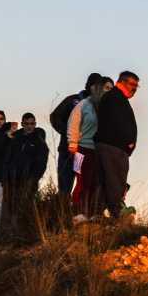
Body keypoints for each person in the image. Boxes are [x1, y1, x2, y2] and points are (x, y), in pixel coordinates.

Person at [50, 72, 103, 200]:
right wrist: (67, 133)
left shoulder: (100, 104)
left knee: (84, 184)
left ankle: (79, 214)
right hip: (68, 150)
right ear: (89, 86)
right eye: (94, 85)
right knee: (65, 185)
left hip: (87, 151)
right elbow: (55, 117)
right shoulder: (72, 100)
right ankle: (63, 214)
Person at [68, 76, 114, 222]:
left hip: (101, 150)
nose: (108, 91)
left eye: (111, 89)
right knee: (82, 181)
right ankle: (79, 213)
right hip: (82, 148)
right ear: (98, 88)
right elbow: (73, 123)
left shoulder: (109, 107)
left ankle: (95, 213)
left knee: (98, 182)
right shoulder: (83, 105)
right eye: (106, 88)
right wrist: (72, 143)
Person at [95, 71, 140, 219]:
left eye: (136, 86)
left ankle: (101, 213)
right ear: (121, 82)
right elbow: (117, 122)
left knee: (111, 181)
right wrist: (127, 143)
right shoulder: (114, 98)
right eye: (132, 84)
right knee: (115, 181)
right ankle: (117, 214)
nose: (134, 89)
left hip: (114, 147)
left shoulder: (116, 98)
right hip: (113, 147)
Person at [2, 112, 49, 234]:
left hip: (29, 179)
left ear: (35, 124)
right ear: (22, 124)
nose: (29, 126)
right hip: (13, 179)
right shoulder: (15, 138)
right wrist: (6, 176)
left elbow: (41, 162)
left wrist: (34, 178)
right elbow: (7, 158)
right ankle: (12, 234)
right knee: (11, 208)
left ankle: (27, 232)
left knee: (27, 205)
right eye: (27, 123)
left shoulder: (38, 140)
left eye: (32, 123)